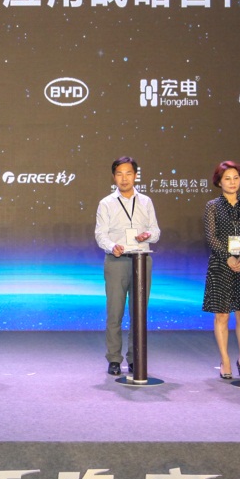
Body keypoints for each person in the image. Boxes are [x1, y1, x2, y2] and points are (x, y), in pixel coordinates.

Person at [94, 156, 161, 376]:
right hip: (117, 261)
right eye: (119, 174)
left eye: (128, 173)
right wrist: (112, 246)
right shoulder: (106, 203)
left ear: (135, 175)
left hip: (142, 260)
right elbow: (100, 234)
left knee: (138, 313)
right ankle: (114, 358)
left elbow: (156, 231)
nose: (124, 178)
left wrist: (148, 235)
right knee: (115, 313)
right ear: (114, 177)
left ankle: (135, 358)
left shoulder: (146, 201)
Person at [203, 160, 240, 380]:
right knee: (222, 315)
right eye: (227, 178)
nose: (232, 182)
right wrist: (228, 257)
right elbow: (211, 237)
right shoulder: (212, 206)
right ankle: (225, 360)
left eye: (236, 178)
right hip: (221, 265)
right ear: (219, 182)